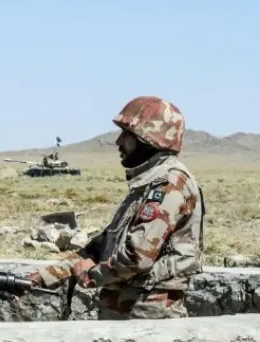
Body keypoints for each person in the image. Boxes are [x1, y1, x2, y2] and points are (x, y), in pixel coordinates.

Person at [27, 95, 206, 319]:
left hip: (147, 317)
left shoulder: (168, 183)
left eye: (127, 134)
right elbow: (97, 249)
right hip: (128, 313)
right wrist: (41, 277)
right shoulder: (146, 185)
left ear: (148, 138)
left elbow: (136, 257)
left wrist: (91, 275)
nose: (119, 142)